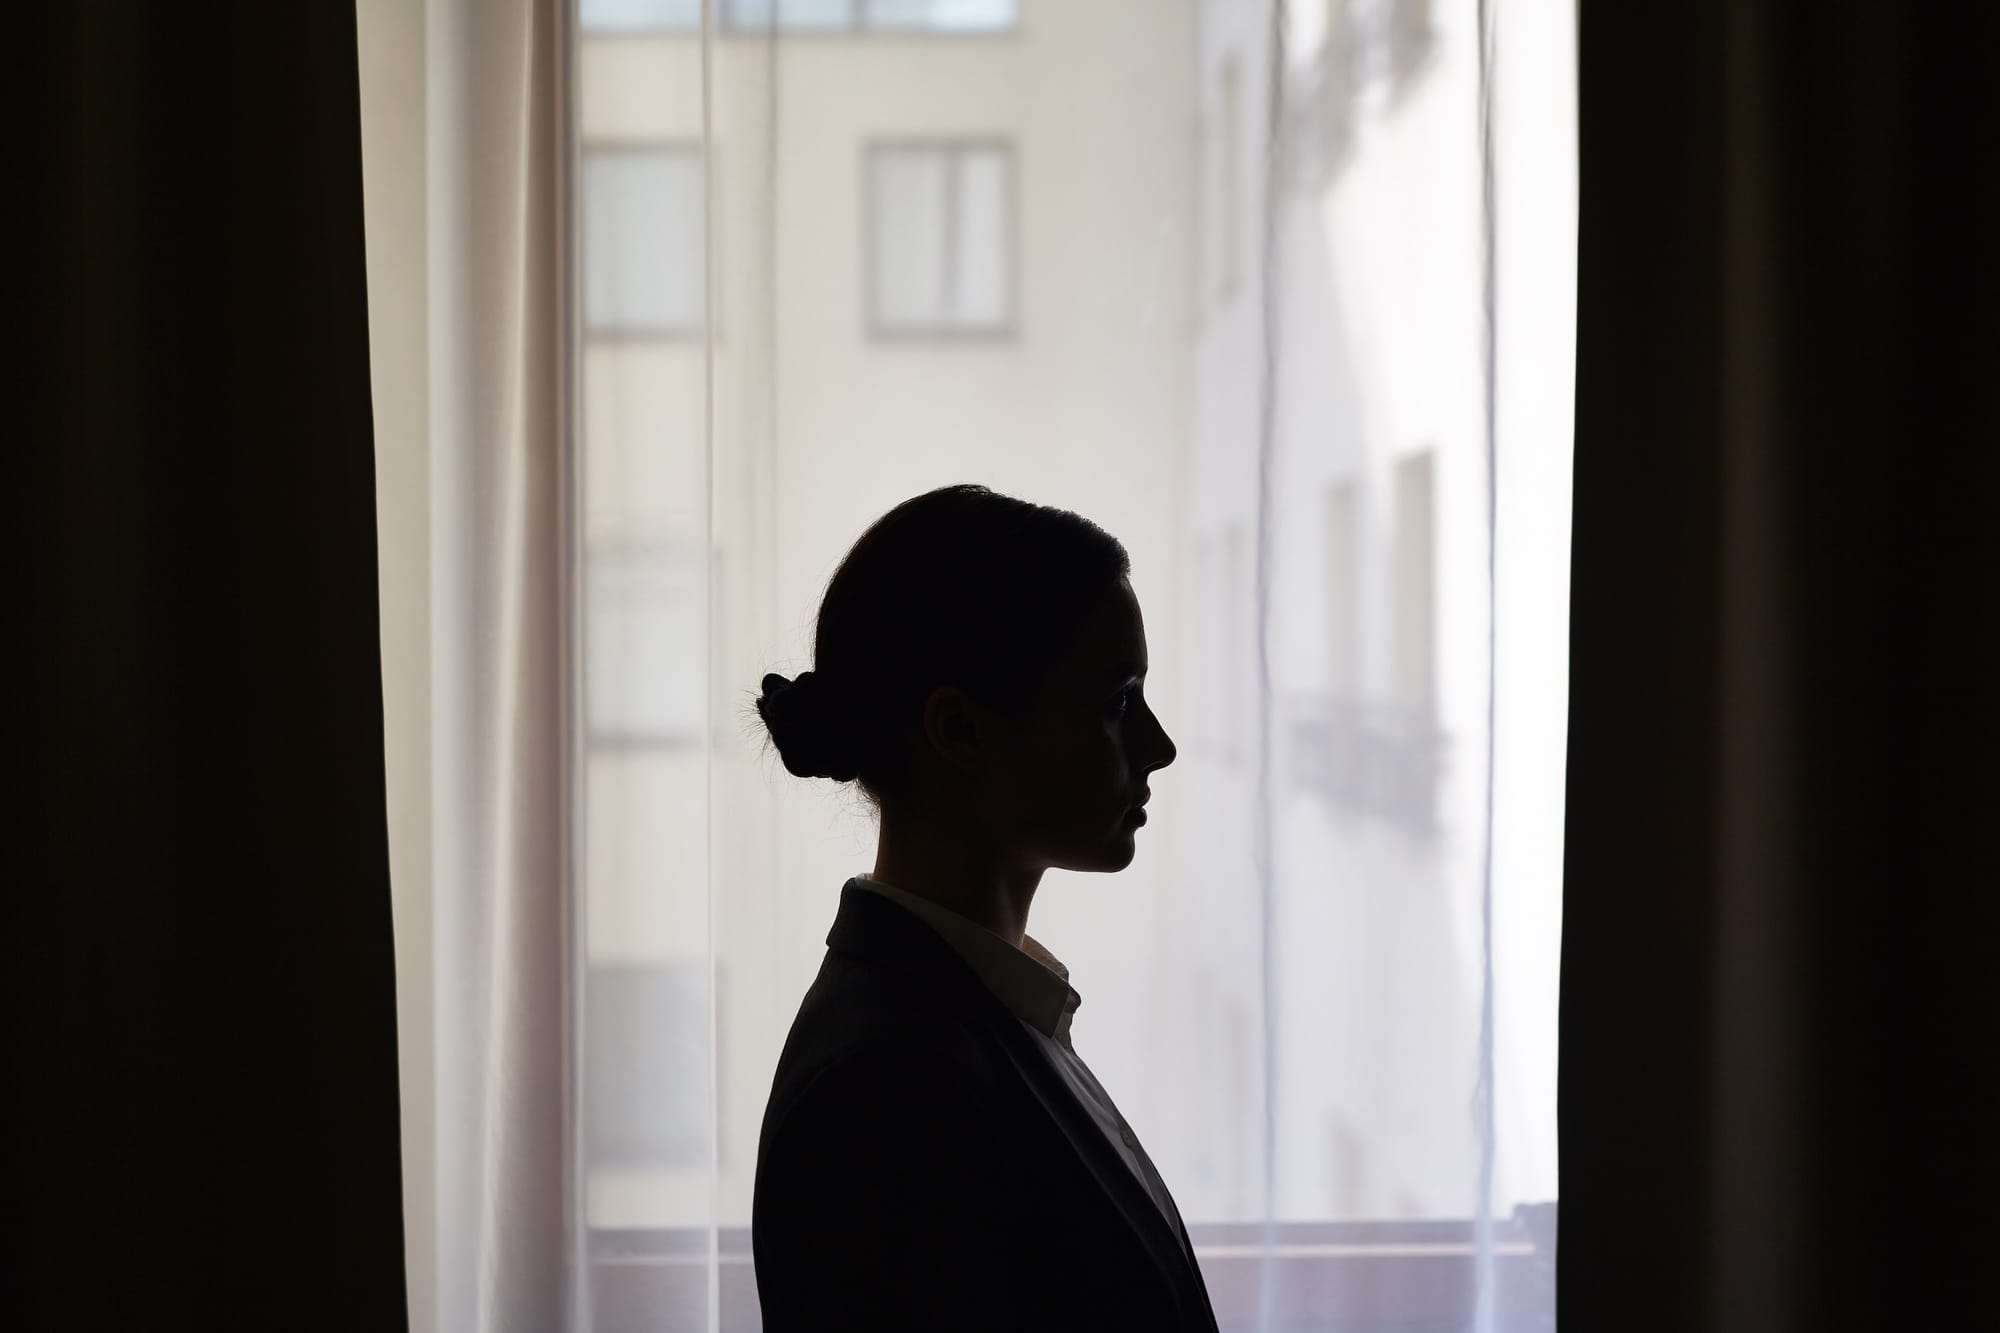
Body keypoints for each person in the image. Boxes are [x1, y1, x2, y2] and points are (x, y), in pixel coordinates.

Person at [750, 484, 1216, 1331]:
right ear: (959, 729)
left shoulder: (981, 1019)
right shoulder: (886, 1092)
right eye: (1117, 701)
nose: (1159, 746)